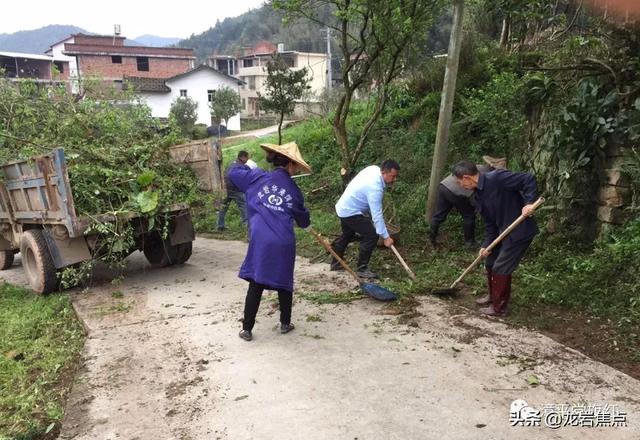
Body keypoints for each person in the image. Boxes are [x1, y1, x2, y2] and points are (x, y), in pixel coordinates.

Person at [228, 141, 311, 341]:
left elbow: (232, 172)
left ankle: (247, 329)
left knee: (256, 281)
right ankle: (285, 323)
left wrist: (247, 166)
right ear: (291, 165)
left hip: (261, 240)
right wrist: (305, 220)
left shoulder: (257, 177)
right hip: (283, 241)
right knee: (284, 281)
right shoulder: (294, 190)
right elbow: (303, 220)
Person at [453, 160, 538, 316]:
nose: (460, 186)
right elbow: (490, 224)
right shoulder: (478, 196)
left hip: (519, 230)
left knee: (501, 267)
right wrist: (486, 245)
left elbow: (528, 179)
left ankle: (499, 308)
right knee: (490, 261)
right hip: (501, 232)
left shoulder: (497, 178)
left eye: (459, 182)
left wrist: (529, 202)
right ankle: (493, 297)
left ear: (466, 177)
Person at [330, 160, 400, 279]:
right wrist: (386, 237)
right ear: (384, 172)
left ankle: (336, 262)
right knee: (371, 235)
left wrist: (370, 217)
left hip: (344, 207)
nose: (394, 179)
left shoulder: (373, 169)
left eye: (396, 176)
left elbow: (366, 200)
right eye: (393, 176)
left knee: (348, 234)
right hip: (350, 211)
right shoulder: (375, 188)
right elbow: (377, 214)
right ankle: (362, 268)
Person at [429, 156, 506, 249]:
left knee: (439, 215)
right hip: (456, 191)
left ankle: (431, 239)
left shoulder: (478, 167)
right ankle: (470, 242)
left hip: (444, 186)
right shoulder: (487, 174)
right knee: (468, 215)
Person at [217, 150, 249, 231]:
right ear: (243, 157)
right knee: (243, 206)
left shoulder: (231, 163)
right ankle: (245, 225)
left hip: (226, 189)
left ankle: (220, 226)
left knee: (223, 208)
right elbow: (244, 177)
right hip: (235, 190)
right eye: (247, 157)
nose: (248, 159)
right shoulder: (241, 166)